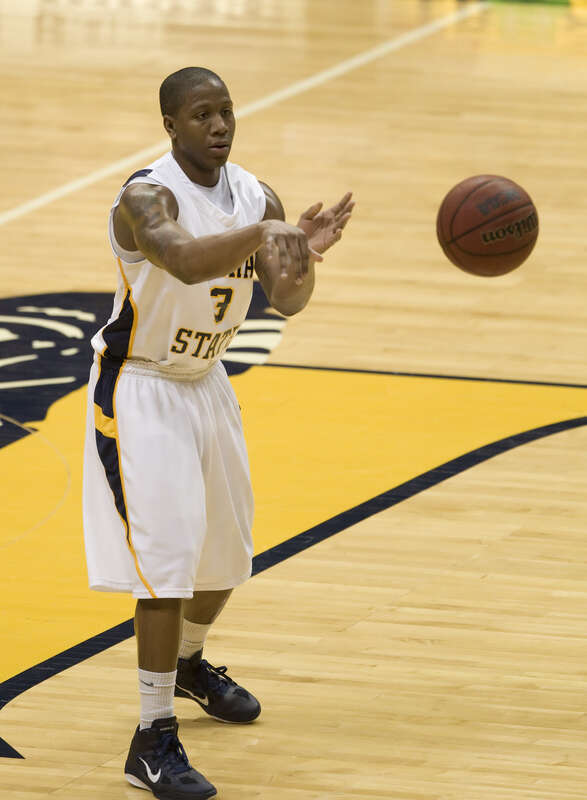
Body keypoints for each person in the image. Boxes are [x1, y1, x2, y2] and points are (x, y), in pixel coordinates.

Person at [82, 66, 354, 800]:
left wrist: (301, 254)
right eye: (201, 114)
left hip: (205, 383)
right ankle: (150, 737)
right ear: (171, 125)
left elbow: (286, 303)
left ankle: (192, 663)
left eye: (226, 110)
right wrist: (268, 232)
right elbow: (180, 259)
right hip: (140, 387)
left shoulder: (254, 194)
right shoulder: (146, 196)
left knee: (226, 557)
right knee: (166, 570)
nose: (218, 124)